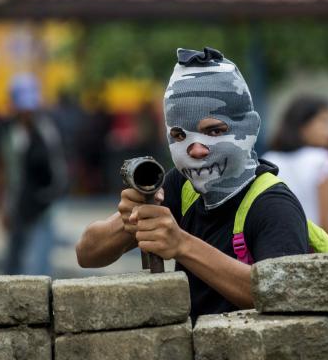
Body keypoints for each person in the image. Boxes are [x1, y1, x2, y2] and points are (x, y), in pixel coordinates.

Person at [76, 47, 310, 320]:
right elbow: (87, 254)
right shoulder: (183, 186)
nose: (196, 150)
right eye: (179, 135)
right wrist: (128, 222)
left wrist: (182, 245)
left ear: (248, 128)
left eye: (214, 131)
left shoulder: (273, 205)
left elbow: (282, 295)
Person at [0, 73, 68, 275]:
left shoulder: (46, 131)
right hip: (17, 204)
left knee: (38, 266)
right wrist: (4, 205)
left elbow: (57, 170)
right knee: (12, 263)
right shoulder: (9, 133)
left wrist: (49, 197)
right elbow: (7, 170)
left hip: (42, 204)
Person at [263, 96, 328, 240]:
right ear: (302, 124)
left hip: (274, 242)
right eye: (325, 122)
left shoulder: (268, 159)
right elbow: (325, 219)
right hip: (310, 245)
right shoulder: (324, 160)